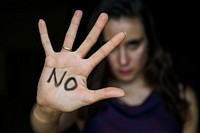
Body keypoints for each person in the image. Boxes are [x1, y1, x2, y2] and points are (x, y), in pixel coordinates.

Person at [30, 0, 199, 132]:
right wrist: (46, 110)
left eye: (133, 44)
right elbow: (47, 129)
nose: (123, 60)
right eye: (113, 47)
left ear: (150, 42)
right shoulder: (83, 93)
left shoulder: (181, 97)